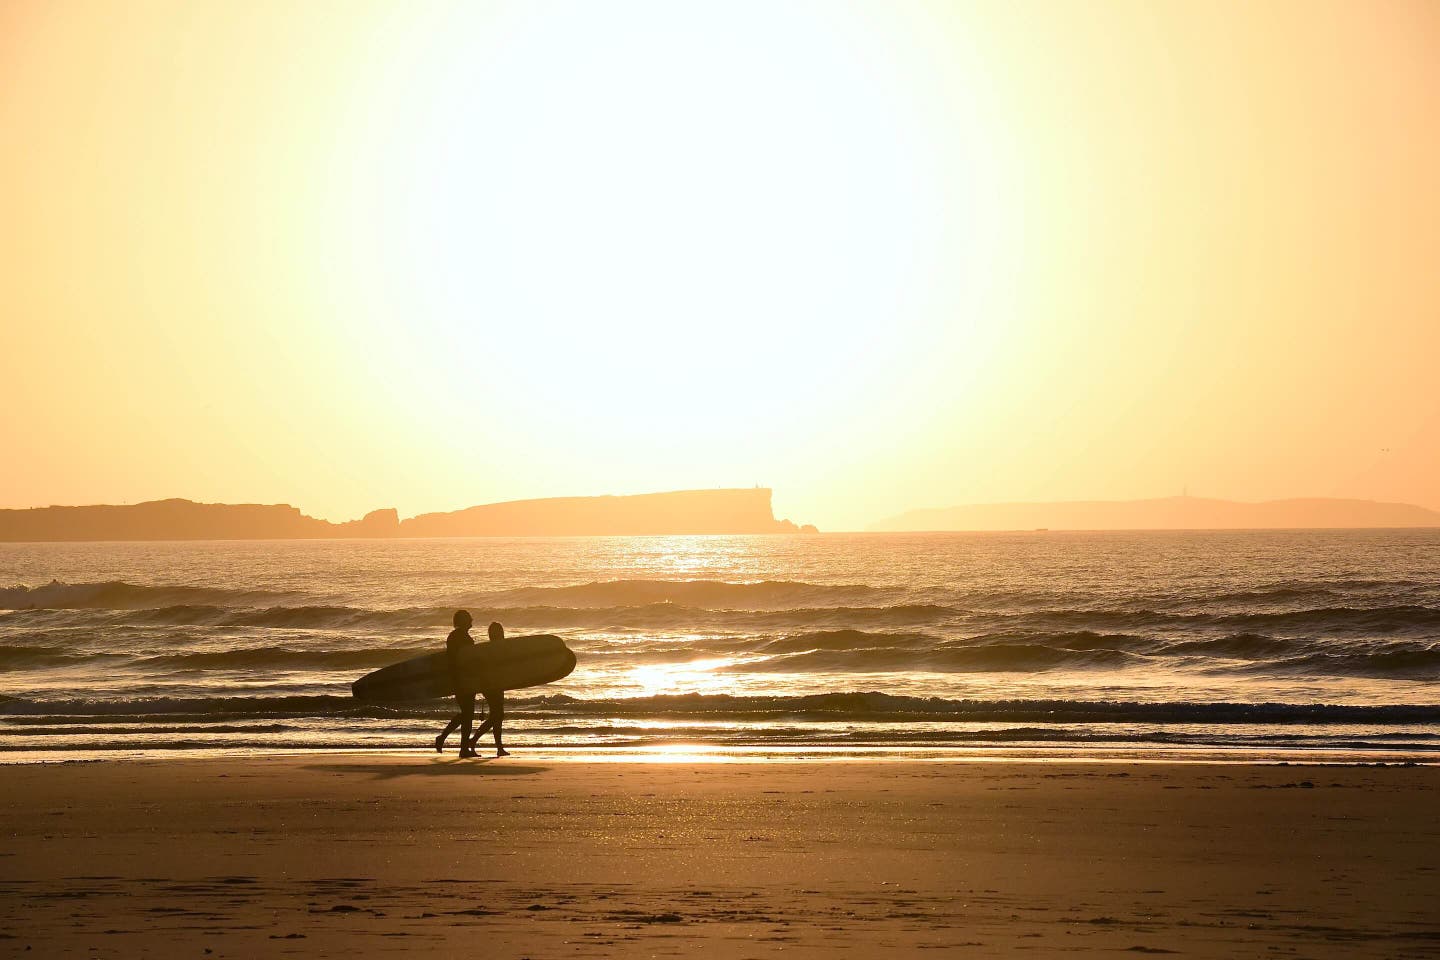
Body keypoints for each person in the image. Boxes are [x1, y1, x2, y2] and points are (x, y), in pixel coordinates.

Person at [434, 610, 479, 758]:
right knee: (467, 714)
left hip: (463, 679)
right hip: (462, 680)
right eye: (468, 618)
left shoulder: (458, 636)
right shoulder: (459, 637)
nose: (471, 620)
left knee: (466, 714)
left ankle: (444, 739)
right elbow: (458, 660)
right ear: (463, 621)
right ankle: (461, 748)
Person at [465, 621, 510, 757]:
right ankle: (474, 741)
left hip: (492, 685)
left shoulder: (489, 649)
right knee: (497, 715)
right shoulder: (495, 649)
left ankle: (499, 747)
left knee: (497, 716)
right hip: (492, 685)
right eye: (500, 632)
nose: (501, 634)